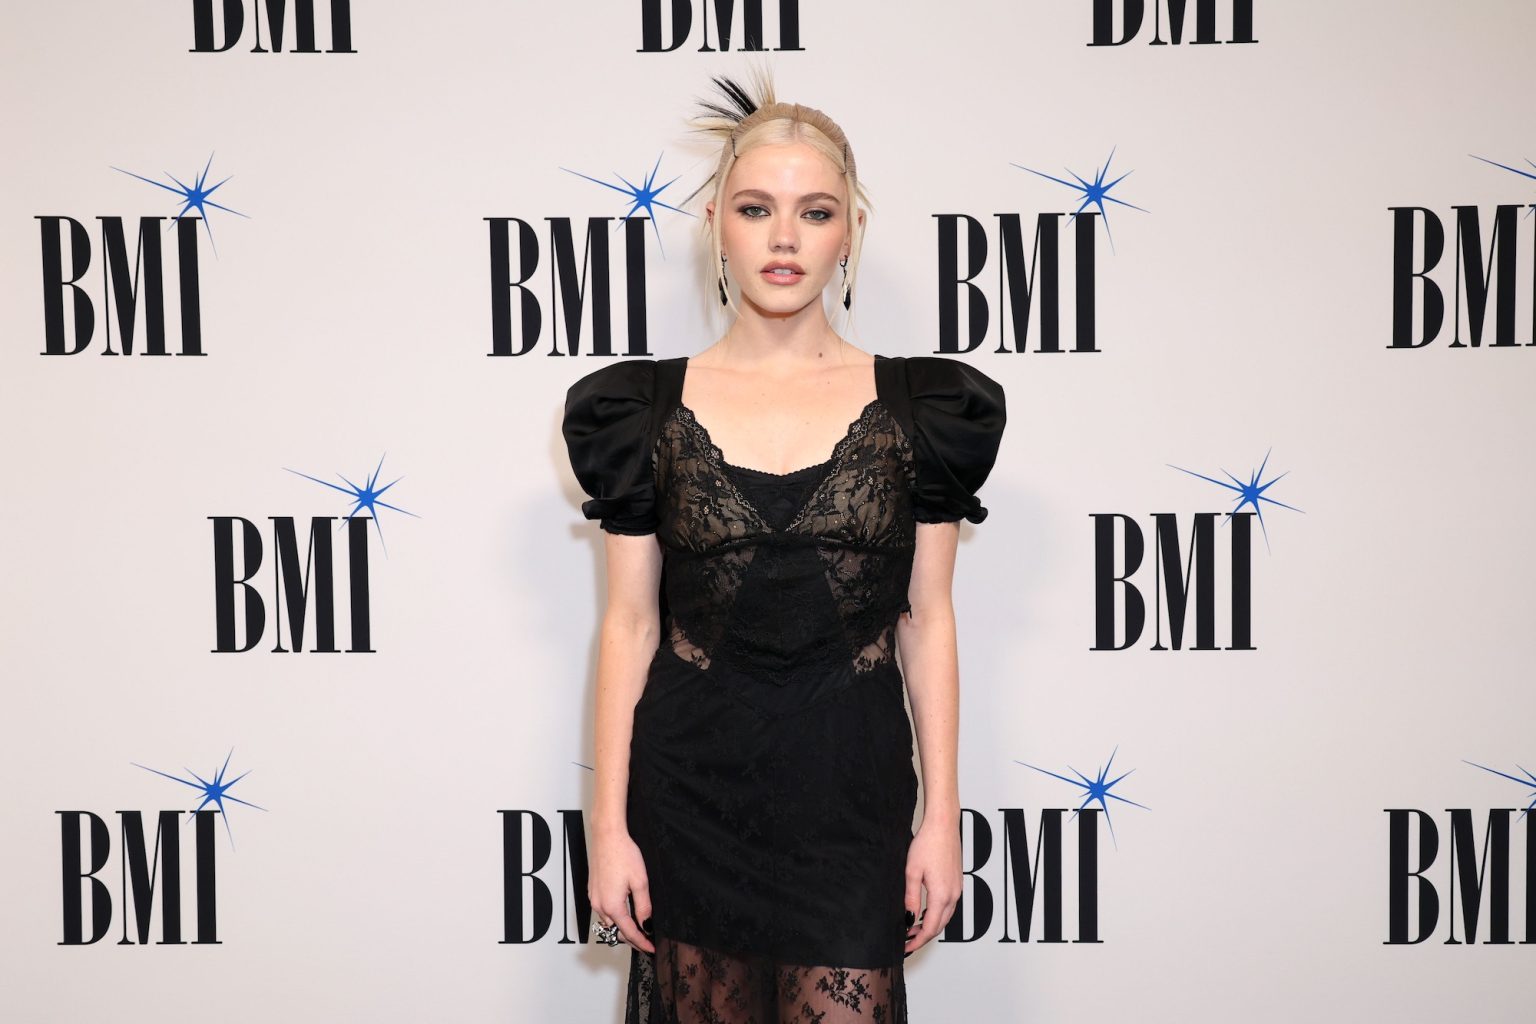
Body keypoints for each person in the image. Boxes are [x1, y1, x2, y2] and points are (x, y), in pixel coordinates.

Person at [560, 69, 1007, 1023]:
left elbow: (927, 620)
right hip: (691, 795)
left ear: (851, 230)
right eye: (758, 209)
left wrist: (941, 819)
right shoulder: (638, 412)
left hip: (850, 796)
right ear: (717, 220)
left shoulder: (924, 410)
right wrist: (608, 830)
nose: (786, 237)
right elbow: (632, 623)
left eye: (816, 211)